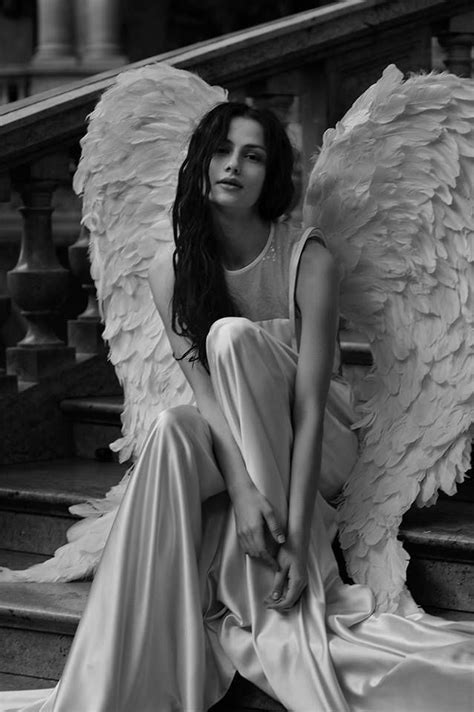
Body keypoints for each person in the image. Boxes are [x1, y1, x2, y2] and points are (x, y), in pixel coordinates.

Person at [1, 98, 473, 712]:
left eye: (252, 156)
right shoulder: (170, 270)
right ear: (200, 163)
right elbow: (206, 400)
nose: (234, 167)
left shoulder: (308, 257)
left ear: (269, 174)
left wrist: (298, 539)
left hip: (320, 440)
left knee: (231, 337)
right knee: (172, 428)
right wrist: (244, 496)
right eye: (222, 152)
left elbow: (307, 407)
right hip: (244, 443)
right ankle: (122, 671)